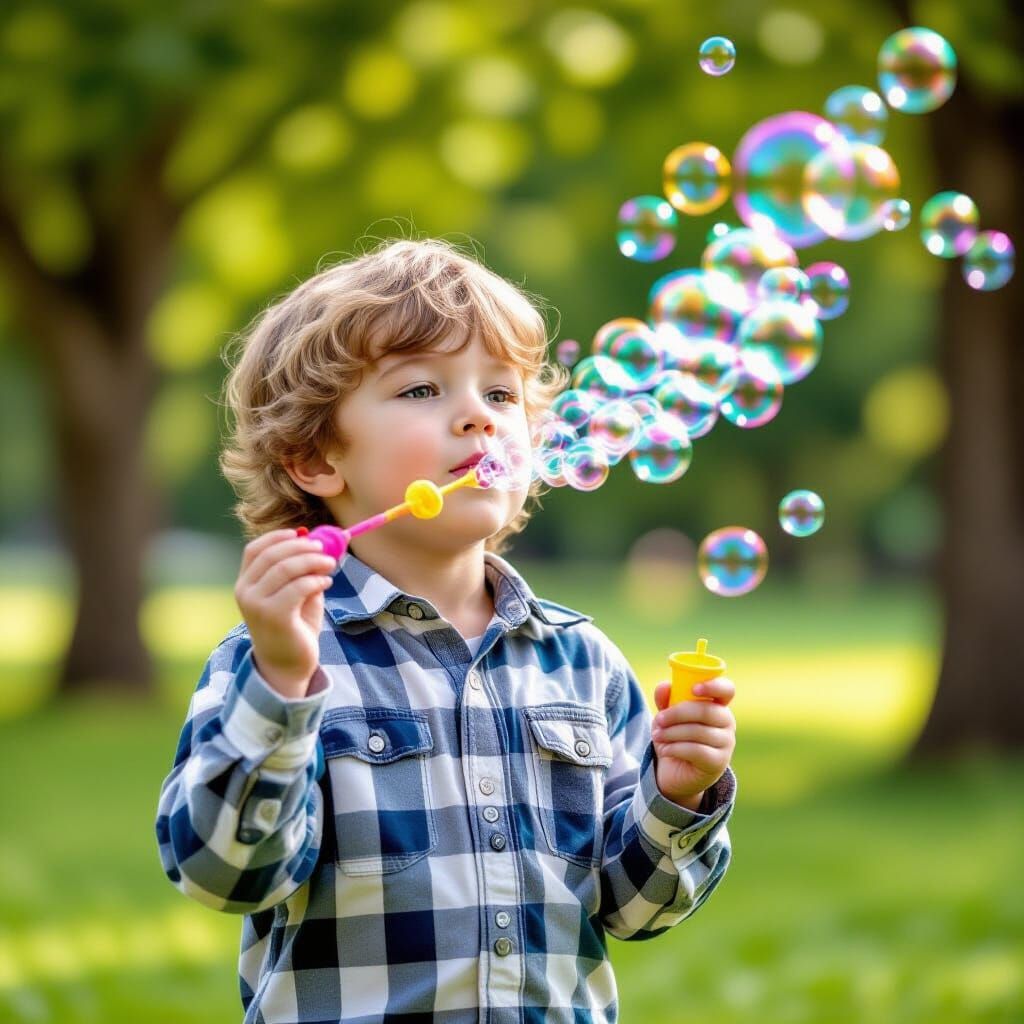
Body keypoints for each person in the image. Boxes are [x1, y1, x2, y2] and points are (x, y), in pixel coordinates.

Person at [155, 236, 737, 1024]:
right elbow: (224, 874)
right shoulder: (276, 658)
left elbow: (636, 910)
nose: (477, 417)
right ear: (314, 458)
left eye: (502, 395)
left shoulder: (582, 663)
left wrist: (679, 793)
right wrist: (282, 683)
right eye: (424, 389)